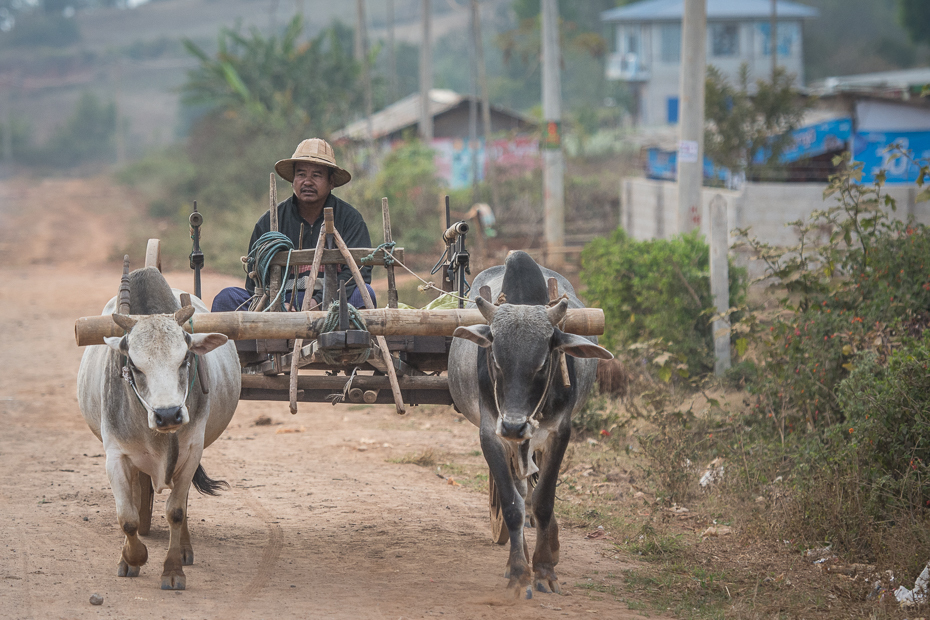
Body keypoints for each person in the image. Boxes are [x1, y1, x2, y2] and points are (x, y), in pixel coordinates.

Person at [212, 138, 377, 312]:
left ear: (331, 181)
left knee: (364, 292)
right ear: (293, 180)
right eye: (301, 174)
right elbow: (255, 282)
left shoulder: (349, 219)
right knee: (226, 298)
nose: (307, 182)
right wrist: (277, 304)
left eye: (316, 175)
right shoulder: (270, 222)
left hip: (330, 305)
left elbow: (358, 273)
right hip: (278, 303)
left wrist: (318, 302)